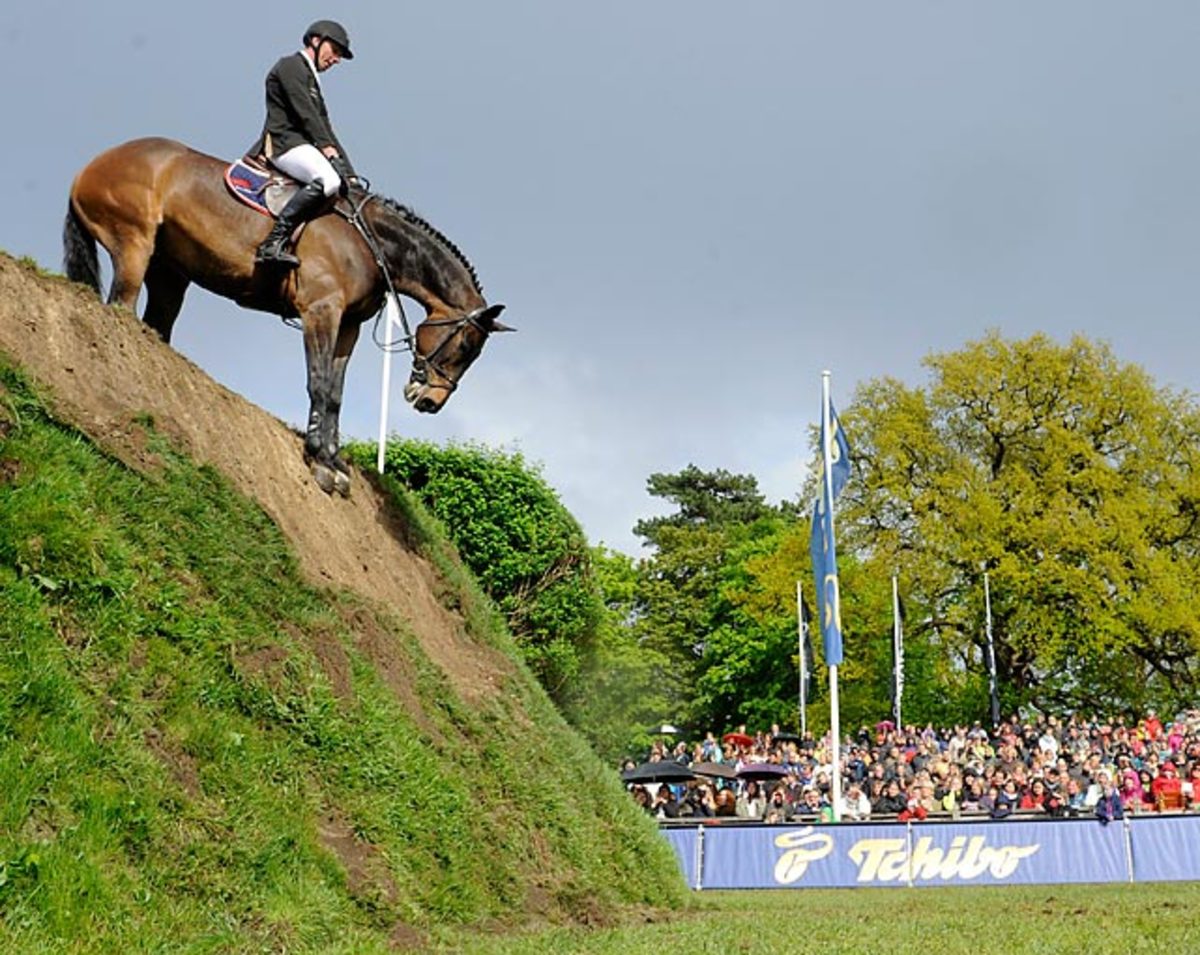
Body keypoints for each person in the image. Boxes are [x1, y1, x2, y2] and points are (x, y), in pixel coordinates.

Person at [250, 20, 358, 268]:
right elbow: (306, 115)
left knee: (341, 183)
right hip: (284, 143)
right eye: (336, 50)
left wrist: (351, 175)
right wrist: (330, 154)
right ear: (316, 40)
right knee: (329, 181)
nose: (336, 59)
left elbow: (326, 128)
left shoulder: (311, 79)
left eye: (340, 55)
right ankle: (273, 242)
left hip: (304, 146)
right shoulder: (290, 66)